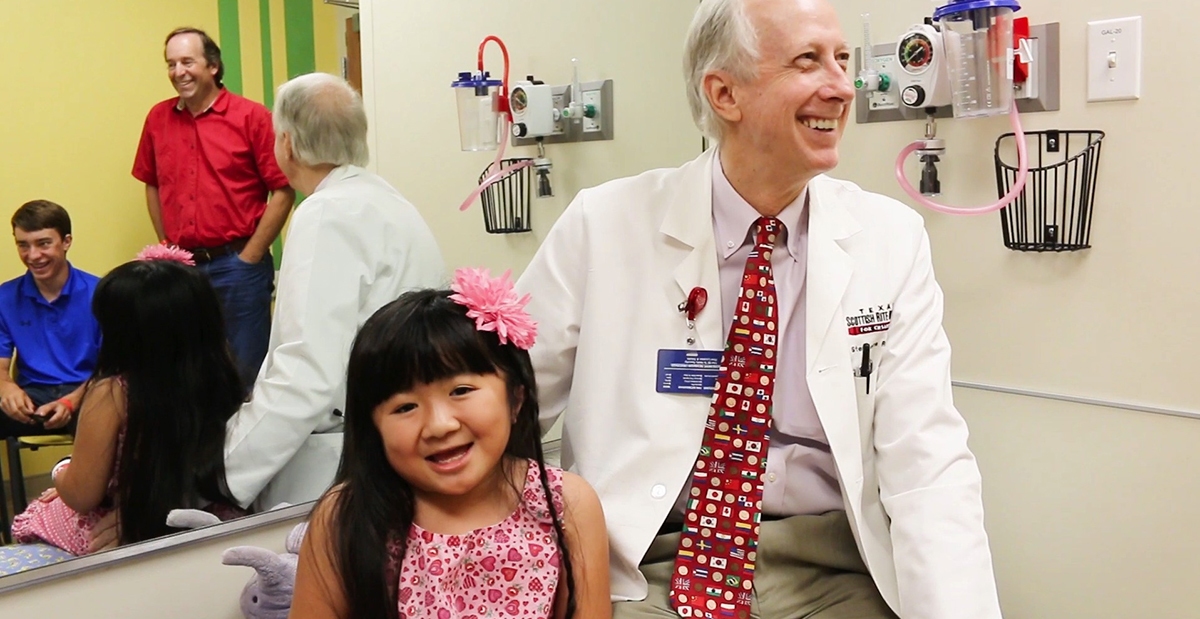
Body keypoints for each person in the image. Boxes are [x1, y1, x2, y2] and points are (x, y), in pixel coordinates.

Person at [515, 0, 1001, 617]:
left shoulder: (889, 239)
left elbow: (926, 459)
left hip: (830, 572)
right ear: (724, 93)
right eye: (808, 60)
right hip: (649, 564)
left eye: (843, 59)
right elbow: (502, 404)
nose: (843, 87)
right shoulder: (603, 225)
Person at [290, 270, 610, 619]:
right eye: (405, 407)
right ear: (373, 426)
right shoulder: (344, 516)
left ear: (515, 399)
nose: (439, 426)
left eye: (461, 391)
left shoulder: (566, 504)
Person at [223, 73, 445, 511]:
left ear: (286, 143)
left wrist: (222, 474)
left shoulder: (326, 213)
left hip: (340, 462)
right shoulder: (389, 202)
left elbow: (306, 370)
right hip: (399, 436)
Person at [10, 248, 245, 554]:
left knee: (39, 513)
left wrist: (62, 470)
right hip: (204, 509)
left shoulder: (113, 392)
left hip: (120, 521)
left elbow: (82, 494)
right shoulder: (223, 381)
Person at [131, 27, 296, 387]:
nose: (178, 72)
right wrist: (167, 248)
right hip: (181, 269)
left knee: (244, 372)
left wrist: (250, 255)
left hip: (238, 267)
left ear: (213, 67)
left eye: (187, 62)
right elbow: (152, 184)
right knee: (185, 372)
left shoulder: (251, 117)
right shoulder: (157, 119)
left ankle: (242, 446)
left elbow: (283, 190)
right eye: (171, 64)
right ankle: (198, 445)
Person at [0, 200, 100, 436]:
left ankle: (82, 474)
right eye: (23, 245)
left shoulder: (101, 293)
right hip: (33, 396)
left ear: (66, 242)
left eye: (43, 243)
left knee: (118, 413)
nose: (33, 255)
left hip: (90, 393)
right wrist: (6, 388)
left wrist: (71, 402)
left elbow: (113, 368)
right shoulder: (4, 297)